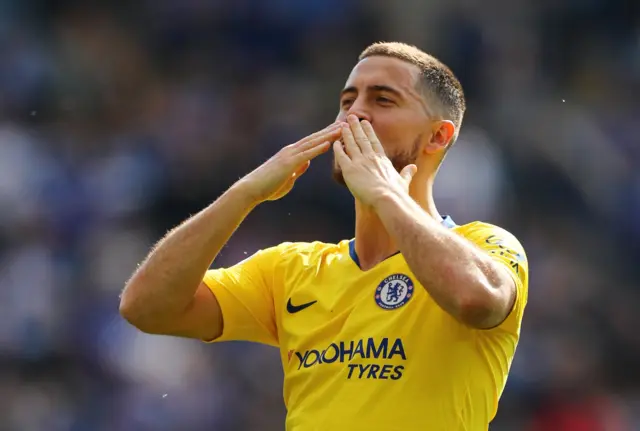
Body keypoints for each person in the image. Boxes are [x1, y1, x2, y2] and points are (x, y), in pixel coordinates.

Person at [120, 42, 529, 430]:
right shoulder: (291, 270)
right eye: (347, 102)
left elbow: (476, 300)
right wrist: (244, 194)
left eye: (383, 100)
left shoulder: (486, 245)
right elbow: (147, 307)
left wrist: (386, 193)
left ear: (439, 136)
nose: (355, 115)